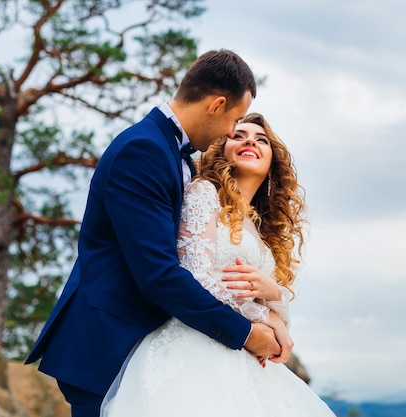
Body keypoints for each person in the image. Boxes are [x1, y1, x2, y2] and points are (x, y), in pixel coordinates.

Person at [25, 50, 292, 417]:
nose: (232, 133)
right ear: (216, 105)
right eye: (234, 121)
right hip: (109, 343)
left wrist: (273, 310)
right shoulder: (144, 150)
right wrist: (249, 332)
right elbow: (159, 273)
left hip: (152, 341)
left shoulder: (172, 155)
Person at [100, 112, 336, 416]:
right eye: (239, 135)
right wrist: (266, 316)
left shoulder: (261, 231)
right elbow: (196, 276)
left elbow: (279, 320)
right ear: (221, 148)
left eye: (261, 140)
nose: (250, 140)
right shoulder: (204, 193)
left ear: (273, 163)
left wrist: (274, 292)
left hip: (247, 360)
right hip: (197, 347)